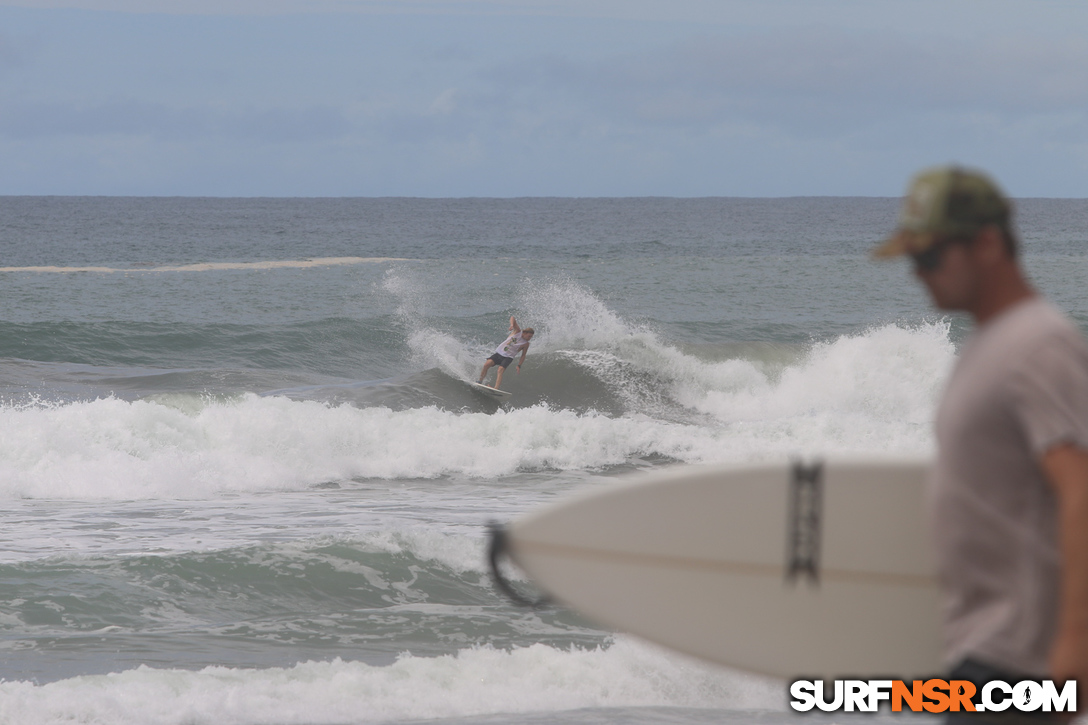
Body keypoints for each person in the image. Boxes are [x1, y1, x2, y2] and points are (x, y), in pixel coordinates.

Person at [874, 166, 1088, 719]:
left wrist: (1073, 640)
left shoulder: (1039, 347)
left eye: (929, 257)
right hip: (980, 654)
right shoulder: (991, 345)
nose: (918, 275)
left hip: (1018, 661)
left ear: (987, 244)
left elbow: (1080, 492)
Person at [478, 316, 533, 390]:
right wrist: (512, 325)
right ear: (525, 333)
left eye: (531, 337)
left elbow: (523, 355)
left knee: (500, 370)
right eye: (529, 336)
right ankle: (479, 381)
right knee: (486, 365)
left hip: (508, 357)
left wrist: (519, 365)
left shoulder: (526, 344)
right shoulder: (517, 332)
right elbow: (512, 317)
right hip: (498, 354)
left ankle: (496, 388)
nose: (529, 338)